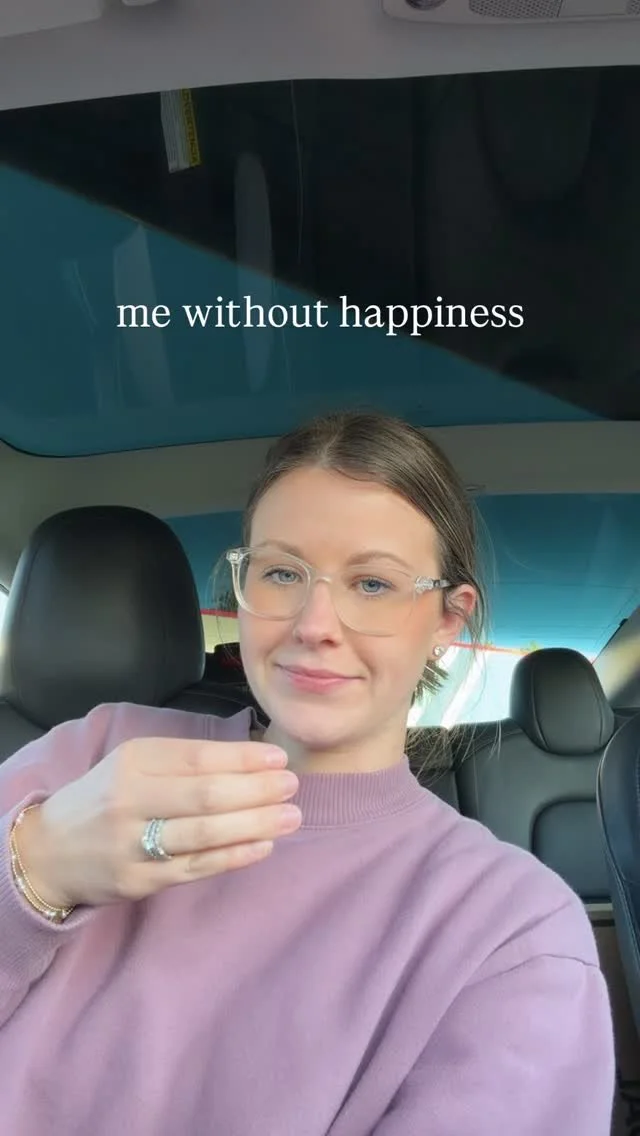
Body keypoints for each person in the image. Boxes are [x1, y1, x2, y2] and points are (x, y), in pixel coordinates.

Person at [0, 411, 614, 1135]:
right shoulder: (91, 752)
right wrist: (36, 871)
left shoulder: (513, 929)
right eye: (283, 573)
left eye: (374, 584)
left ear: (448, 620)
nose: (314, 624)